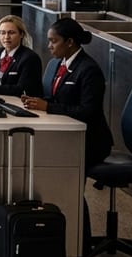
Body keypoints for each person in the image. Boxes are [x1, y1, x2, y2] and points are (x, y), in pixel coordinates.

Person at [19, 18, 112, 169]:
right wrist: (38, 101)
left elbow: (88, 111)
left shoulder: (89, 70)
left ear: (69, 42)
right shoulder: (61, 62)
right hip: (67, 132)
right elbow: (60, 98)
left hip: (90, 141)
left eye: (53, 41)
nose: (49, 46)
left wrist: (48, 106)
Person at [0, 15, 43, 97]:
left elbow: (21, 89)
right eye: (2, 33)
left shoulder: (30, 58)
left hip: (23, 103)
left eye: (11, 33)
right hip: (4, 98)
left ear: (21, 34)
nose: (6, 37)